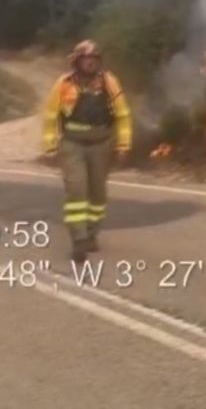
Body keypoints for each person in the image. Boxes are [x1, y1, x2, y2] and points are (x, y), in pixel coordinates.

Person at [42, 41, 132, 263]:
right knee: (76, 190)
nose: (90, 62)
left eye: (94, 58)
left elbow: (122, 114)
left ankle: (92, 233)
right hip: (72, 144)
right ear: (77, 61)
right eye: (86, 58)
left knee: (98, 194)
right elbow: (50, 115)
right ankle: (79, 240)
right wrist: (50, 145)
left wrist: (123, 145)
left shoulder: (108, 82)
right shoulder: (64, 84)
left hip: (102, 144)